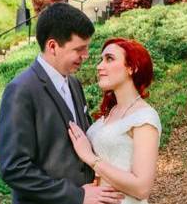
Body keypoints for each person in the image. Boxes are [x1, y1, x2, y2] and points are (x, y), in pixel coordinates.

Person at [0, 2, 124, 204]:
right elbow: (14, 169)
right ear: (53, 46)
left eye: (87, 48)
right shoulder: (21, 91)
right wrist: (77, 196)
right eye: (79, 49)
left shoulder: (74, 84)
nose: (86, 55)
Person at [68, 38, 162, 204]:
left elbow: (142, 188)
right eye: (101, 60)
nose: (99, 66)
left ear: (132, 68)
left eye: (109, 59)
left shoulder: (145, 117)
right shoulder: (109, 113)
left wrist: (91, 158)